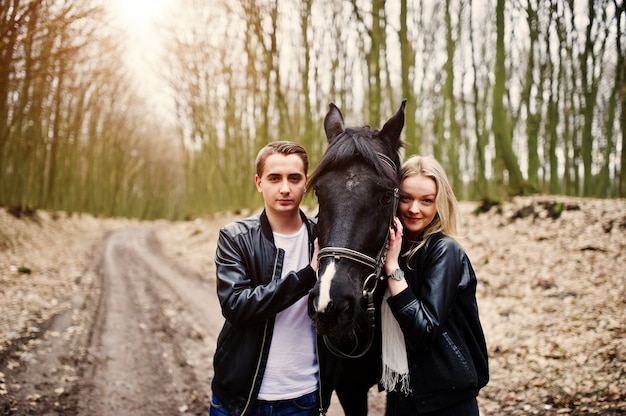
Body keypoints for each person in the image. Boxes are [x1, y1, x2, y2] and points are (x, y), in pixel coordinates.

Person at [210, 141, 334, 416]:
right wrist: (306, 276)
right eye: (274, 178)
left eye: (294, 178)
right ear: (259, 182)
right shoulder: (236, 238)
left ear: (306, 182)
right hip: (238, 397)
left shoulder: (325, 240)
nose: (285, 188)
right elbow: (236, 305)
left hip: (302, 397)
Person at [380, 155, 489, 415]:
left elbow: (422, 330)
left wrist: (393, 270)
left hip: (445, 400)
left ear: (440, 203)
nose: (414, 209)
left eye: (426, 200)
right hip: (403, 392)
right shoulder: (394, 248)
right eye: (406, 198)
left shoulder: (445, 252)